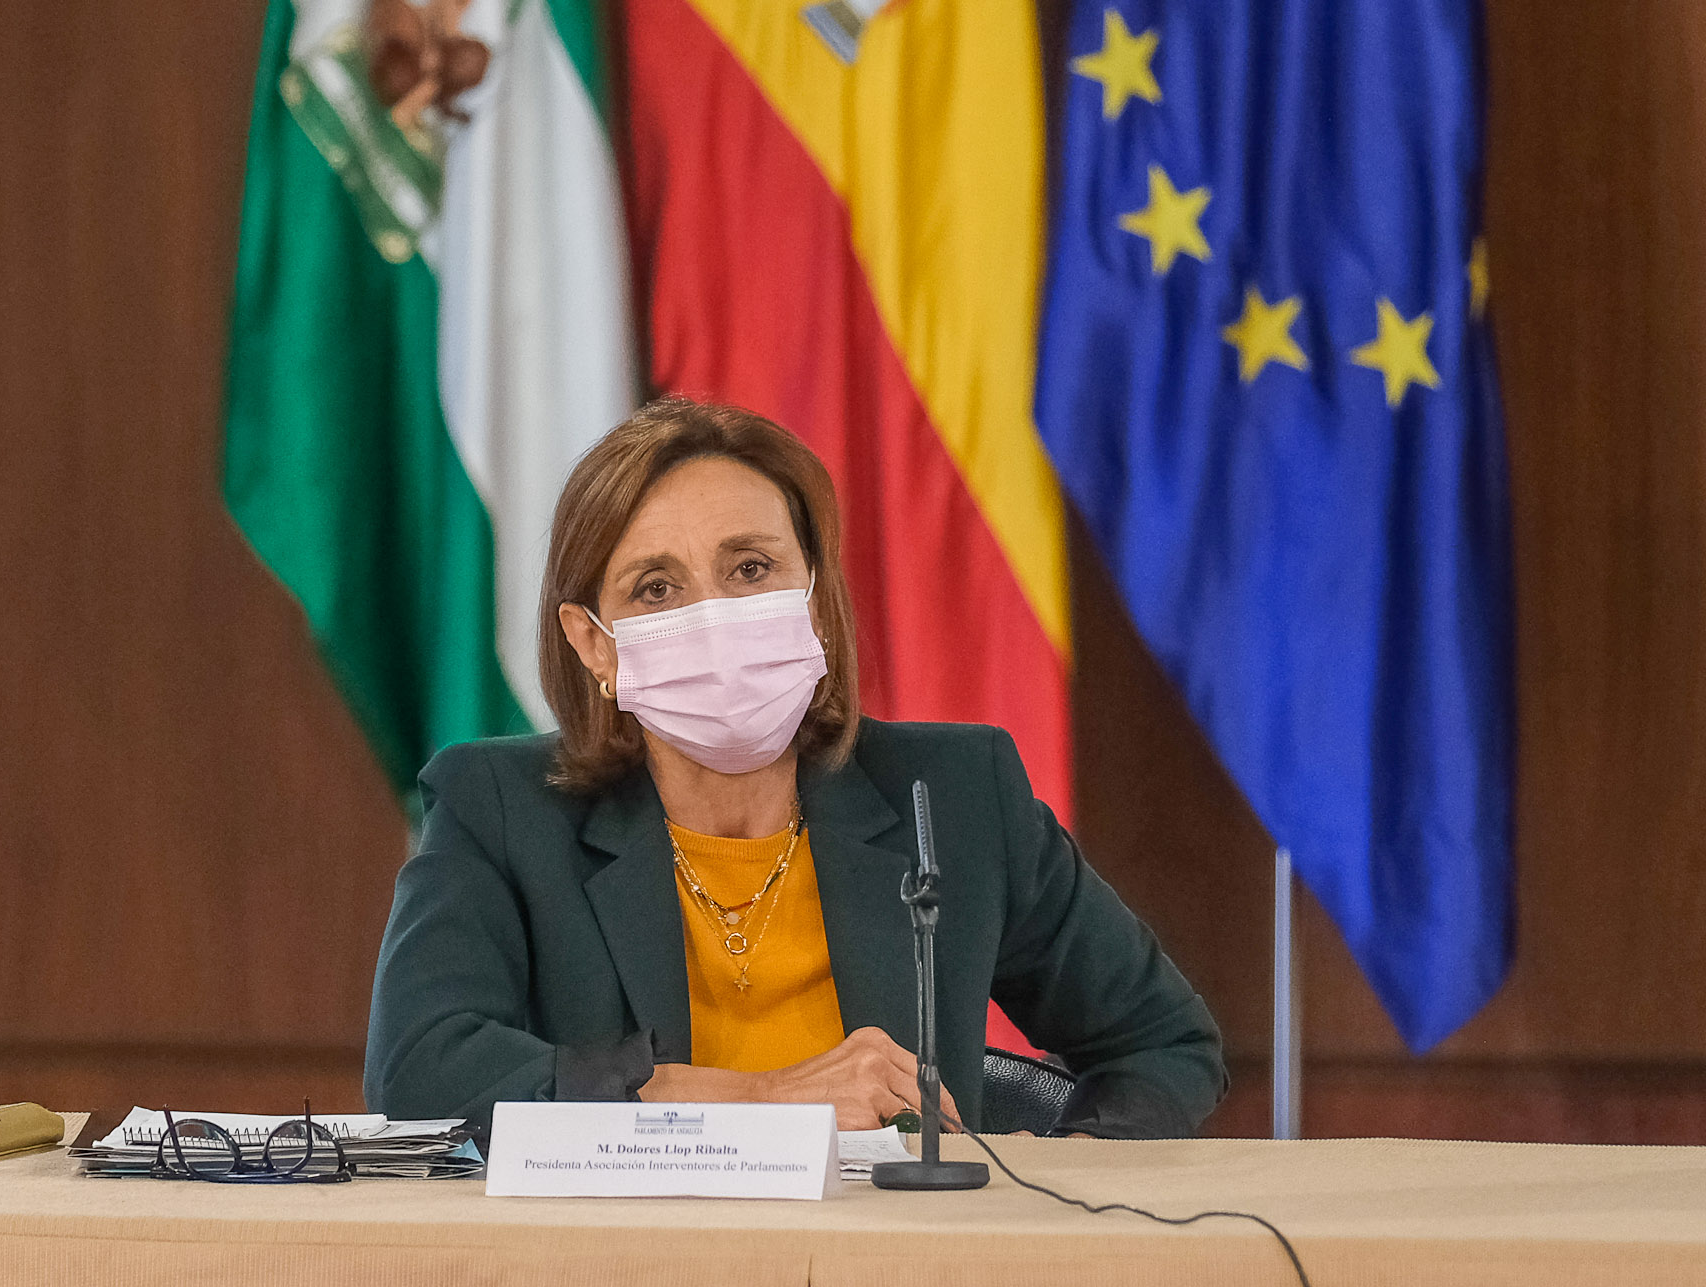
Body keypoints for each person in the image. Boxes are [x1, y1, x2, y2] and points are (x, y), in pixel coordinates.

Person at [364, 399, 1225, 1136]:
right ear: (596, 642)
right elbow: (421, 1069)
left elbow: (1162, 1043)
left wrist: (1038, 1208)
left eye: (750, 568)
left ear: (811, 596)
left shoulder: (956, 794)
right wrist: (769, 1098)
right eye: (656, 588)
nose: (714, 614)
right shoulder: (500, 810)